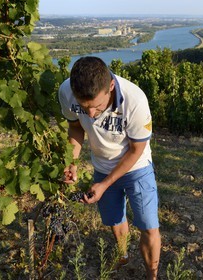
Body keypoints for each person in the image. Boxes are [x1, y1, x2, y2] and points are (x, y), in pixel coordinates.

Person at [58, 56, 161, 279]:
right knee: (115, 220)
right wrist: (72, 162)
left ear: (111, 86)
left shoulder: (135, 100)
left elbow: (136, 150)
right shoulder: (66, 91)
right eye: (84, 108)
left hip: (137, 168)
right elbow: (76, 128)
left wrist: (105, 184)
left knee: (149, 226)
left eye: (96, 106)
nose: (91, 115)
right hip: (102, 166)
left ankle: (152, 276)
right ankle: (123, 255)